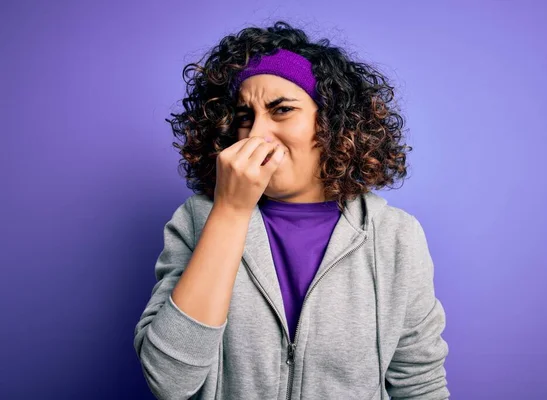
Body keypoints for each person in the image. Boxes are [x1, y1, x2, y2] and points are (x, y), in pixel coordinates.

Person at [133, 20, 450, 400]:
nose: (256, 135)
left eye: (281, 110)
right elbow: (168, 381)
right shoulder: (197, 220)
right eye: (244, 117)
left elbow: (420, 385)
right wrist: (230, 211)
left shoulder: (395, 236)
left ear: (333, 124)